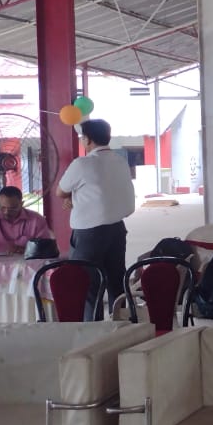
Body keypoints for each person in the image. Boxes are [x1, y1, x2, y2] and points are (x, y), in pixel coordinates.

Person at [56, 118, 136, 309]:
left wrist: (71, 196)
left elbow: (60, 191)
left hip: (88, 233)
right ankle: (121, 322)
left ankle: (93, 324)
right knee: (116, 281)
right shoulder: (120, 161)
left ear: (88, 139)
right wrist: (75, 196)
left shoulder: (82, 164)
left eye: (82, 138)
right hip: (117, 228)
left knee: (88, 286)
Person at [0, 186, 53, 255]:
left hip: (29, 265)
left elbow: (47, 247)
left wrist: (26, 250)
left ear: (22, 204)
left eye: (12, 208)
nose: (6, 212)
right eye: (2, 208)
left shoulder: (36, 220)